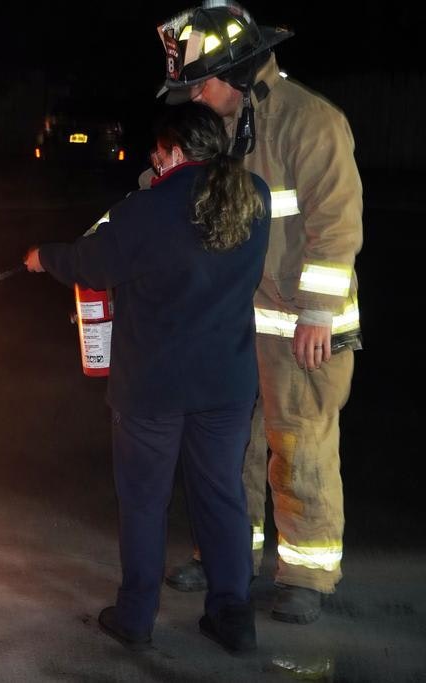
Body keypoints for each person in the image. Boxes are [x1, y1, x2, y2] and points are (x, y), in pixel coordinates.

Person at [25, 102, 270, 653]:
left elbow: (92, 261)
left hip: (152, 388)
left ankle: (136, 617)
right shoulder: (255, 195)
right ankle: (233, 616)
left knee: (143, 500)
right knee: (222, 495)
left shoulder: (146, 209)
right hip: (226, 386)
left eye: (157, 153)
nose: (153, 162)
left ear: (176, 151)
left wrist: (45, 257)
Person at [155, 1, 363, 625]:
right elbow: (183, 195)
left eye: (198, 81)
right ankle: (226, 557)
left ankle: (305, 575)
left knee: (296, 444)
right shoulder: (225, 127)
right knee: (227, 448)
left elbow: (337, 225)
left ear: (232, 70)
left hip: (302, 327)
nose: (193, 95)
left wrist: (319, 313)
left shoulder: (310, 122)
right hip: (236, 320)